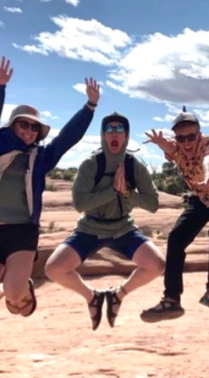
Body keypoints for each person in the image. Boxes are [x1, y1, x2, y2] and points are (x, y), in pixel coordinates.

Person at [0, 55, 99, 317]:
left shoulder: (39, 158)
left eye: (35, 127)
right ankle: (15, 283)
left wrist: (90, 107)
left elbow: (66, 139)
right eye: (24, 124)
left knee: (14, 292)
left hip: (22, 232)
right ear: (13, 125)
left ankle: (20, 288)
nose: (30, 130)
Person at [45, 112, 165, 330]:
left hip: (123, 228)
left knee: (156, 265)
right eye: (109, 129)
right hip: (90, 228)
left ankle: (118, 295)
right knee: (54, 268)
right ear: (102, 134)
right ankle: (92, 298)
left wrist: (127, 193)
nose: (114, 134)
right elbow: (80, 204)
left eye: (120, 129)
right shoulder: (91, 164)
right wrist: (113, 191)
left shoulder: (134, 166)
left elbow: (153, 204)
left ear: (127, 135)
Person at [140, 107, 209, 322]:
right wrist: (161, 143)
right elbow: (170, 147)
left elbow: (208, 161)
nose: (186, 142)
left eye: (191, 136)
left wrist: (208, 178)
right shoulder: (177, 147)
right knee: (176, 238)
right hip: (200, 199)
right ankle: (171, 300)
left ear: (199, 134)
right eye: (181, 137)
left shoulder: (208, 143)